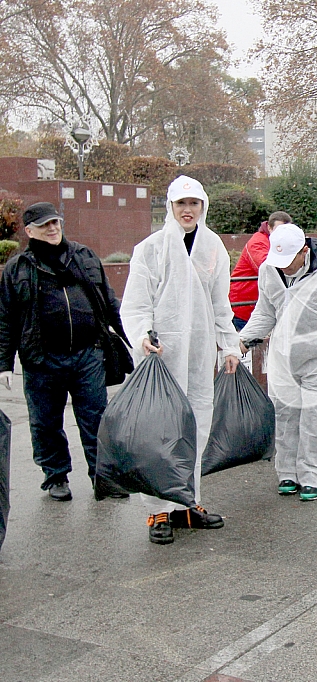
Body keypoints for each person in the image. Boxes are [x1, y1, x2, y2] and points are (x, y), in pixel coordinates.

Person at [120, 176, 242, 545]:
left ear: (203, 207)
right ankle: (157, 509)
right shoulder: (151, 249)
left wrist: (230, 345)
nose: (188, 211)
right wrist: (142, 335)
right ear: (170, 208)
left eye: (195, 204)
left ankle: (187, 502)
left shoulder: (213, 247)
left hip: (200, 352)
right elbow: (136, 303)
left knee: (196, 427)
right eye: (181, 204)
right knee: (160, 433)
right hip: (162, 355)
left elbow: (222, 303)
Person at [0, 202, 127, 501]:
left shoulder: (84, 256)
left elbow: (109, 301)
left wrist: (132, 335)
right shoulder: (17, 268)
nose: (53, 228)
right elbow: (5, 318)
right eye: (45, 225)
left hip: (88, 354)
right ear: (30, 231)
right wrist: (4, 363)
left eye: (56, 222)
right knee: (45, 422)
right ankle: (55, 476)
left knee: (96, 418)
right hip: (41, 359)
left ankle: (103, 476)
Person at [239, 225, 317, 501]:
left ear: (304, 252)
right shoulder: (269, 270)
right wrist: (244, 339)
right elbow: (266, 311)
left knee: (316, 419)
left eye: (288, 262)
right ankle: (287, 473)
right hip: (283, 359)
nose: (282, 268)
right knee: (284, 418)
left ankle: (313, 476)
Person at [229, 211, 293, 331]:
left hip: (258, 304)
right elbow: (267, 268)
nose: (282, 234)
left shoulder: (274, 242)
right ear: (269, 227)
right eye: (279, 229)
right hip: (244, 306)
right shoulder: (257, 243)